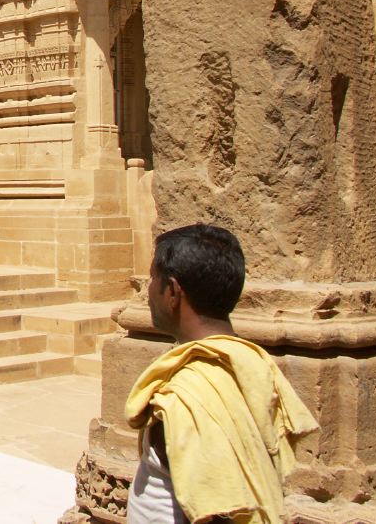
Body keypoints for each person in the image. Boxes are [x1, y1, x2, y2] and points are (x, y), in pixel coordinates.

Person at [125, 224, 318, 524]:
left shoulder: (185, 401)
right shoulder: (254, 366)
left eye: (153, 278)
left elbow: (219, 508)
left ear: (173, 291)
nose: (147, 290)